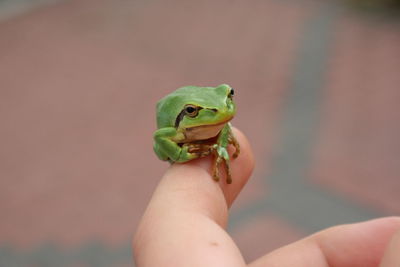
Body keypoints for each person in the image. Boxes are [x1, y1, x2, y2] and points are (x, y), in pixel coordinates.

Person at [133, 128, 400, 266]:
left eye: (230, 97)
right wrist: (182, 154)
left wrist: (221, 138)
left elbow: (224, 122)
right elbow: (160, 137)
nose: (227, 109)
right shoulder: (173, 129)